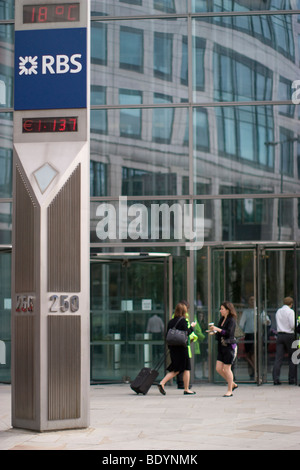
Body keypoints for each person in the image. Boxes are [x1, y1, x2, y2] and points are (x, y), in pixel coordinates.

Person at [158, 302, 196, 395]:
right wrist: (192, 326)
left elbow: (167, 335)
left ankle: (162, 383)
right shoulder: (183, 321)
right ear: (184, 311)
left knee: (176, 368)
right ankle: (186, 389)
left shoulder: (171, 321)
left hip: (173, 348)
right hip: (182, 348)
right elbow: (187, 332)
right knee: (186, 368)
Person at [209, 301, 238, 397]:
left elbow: (228, 333)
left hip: (229, 347)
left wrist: (217, 329)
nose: (220, 310)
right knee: (218, 368)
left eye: (222, 309)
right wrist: (214, 331)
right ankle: (232, 383)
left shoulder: (231, 320)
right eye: (220, 308)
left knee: (227, 368)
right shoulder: (222, 319)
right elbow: (221, 332)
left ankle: (230, 390)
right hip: (221, 346)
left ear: (228, 310)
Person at [272, 297, 296, 385]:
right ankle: (291, 379)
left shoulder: (278, 311)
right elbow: (293, 325)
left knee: (278, 358)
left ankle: (276, 378)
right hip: (289, 335)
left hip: (280, 335)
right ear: (291, 304)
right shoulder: (290, 312)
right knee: (292, 357)